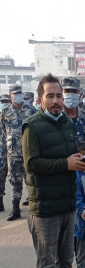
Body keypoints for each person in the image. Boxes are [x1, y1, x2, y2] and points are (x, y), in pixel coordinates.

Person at [23, 73, 85, 268]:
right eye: (50, 95)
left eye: (59, 95)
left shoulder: (67, 124)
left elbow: (69, 156)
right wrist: (65, 164)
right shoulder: (32, 126)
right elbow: (32, 164)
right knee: (46, 263)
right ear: (41, 99)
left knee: (65, 259)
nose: (56, 100)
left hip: (67, 203)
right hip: (45, 209)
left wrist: (80, 161)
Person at [3, 84, 37, 221]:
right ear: (10, 95)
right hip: (13, 154)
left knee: (31, 181)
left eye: (19, 93)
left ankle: (34, 208)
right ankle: (15, 209)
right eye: (14, 93)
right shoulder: (5, 112)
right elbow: (3, 132)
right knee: (14, 182)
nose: (17, 96)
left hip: (29, 152)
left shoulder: (31, 110)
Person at [61, 77, 85, 146]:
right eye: (67, 91)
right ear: (61, 93)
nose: (71, 94)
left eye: (74, 91)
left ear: (79, 93)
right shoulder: (56, 117)